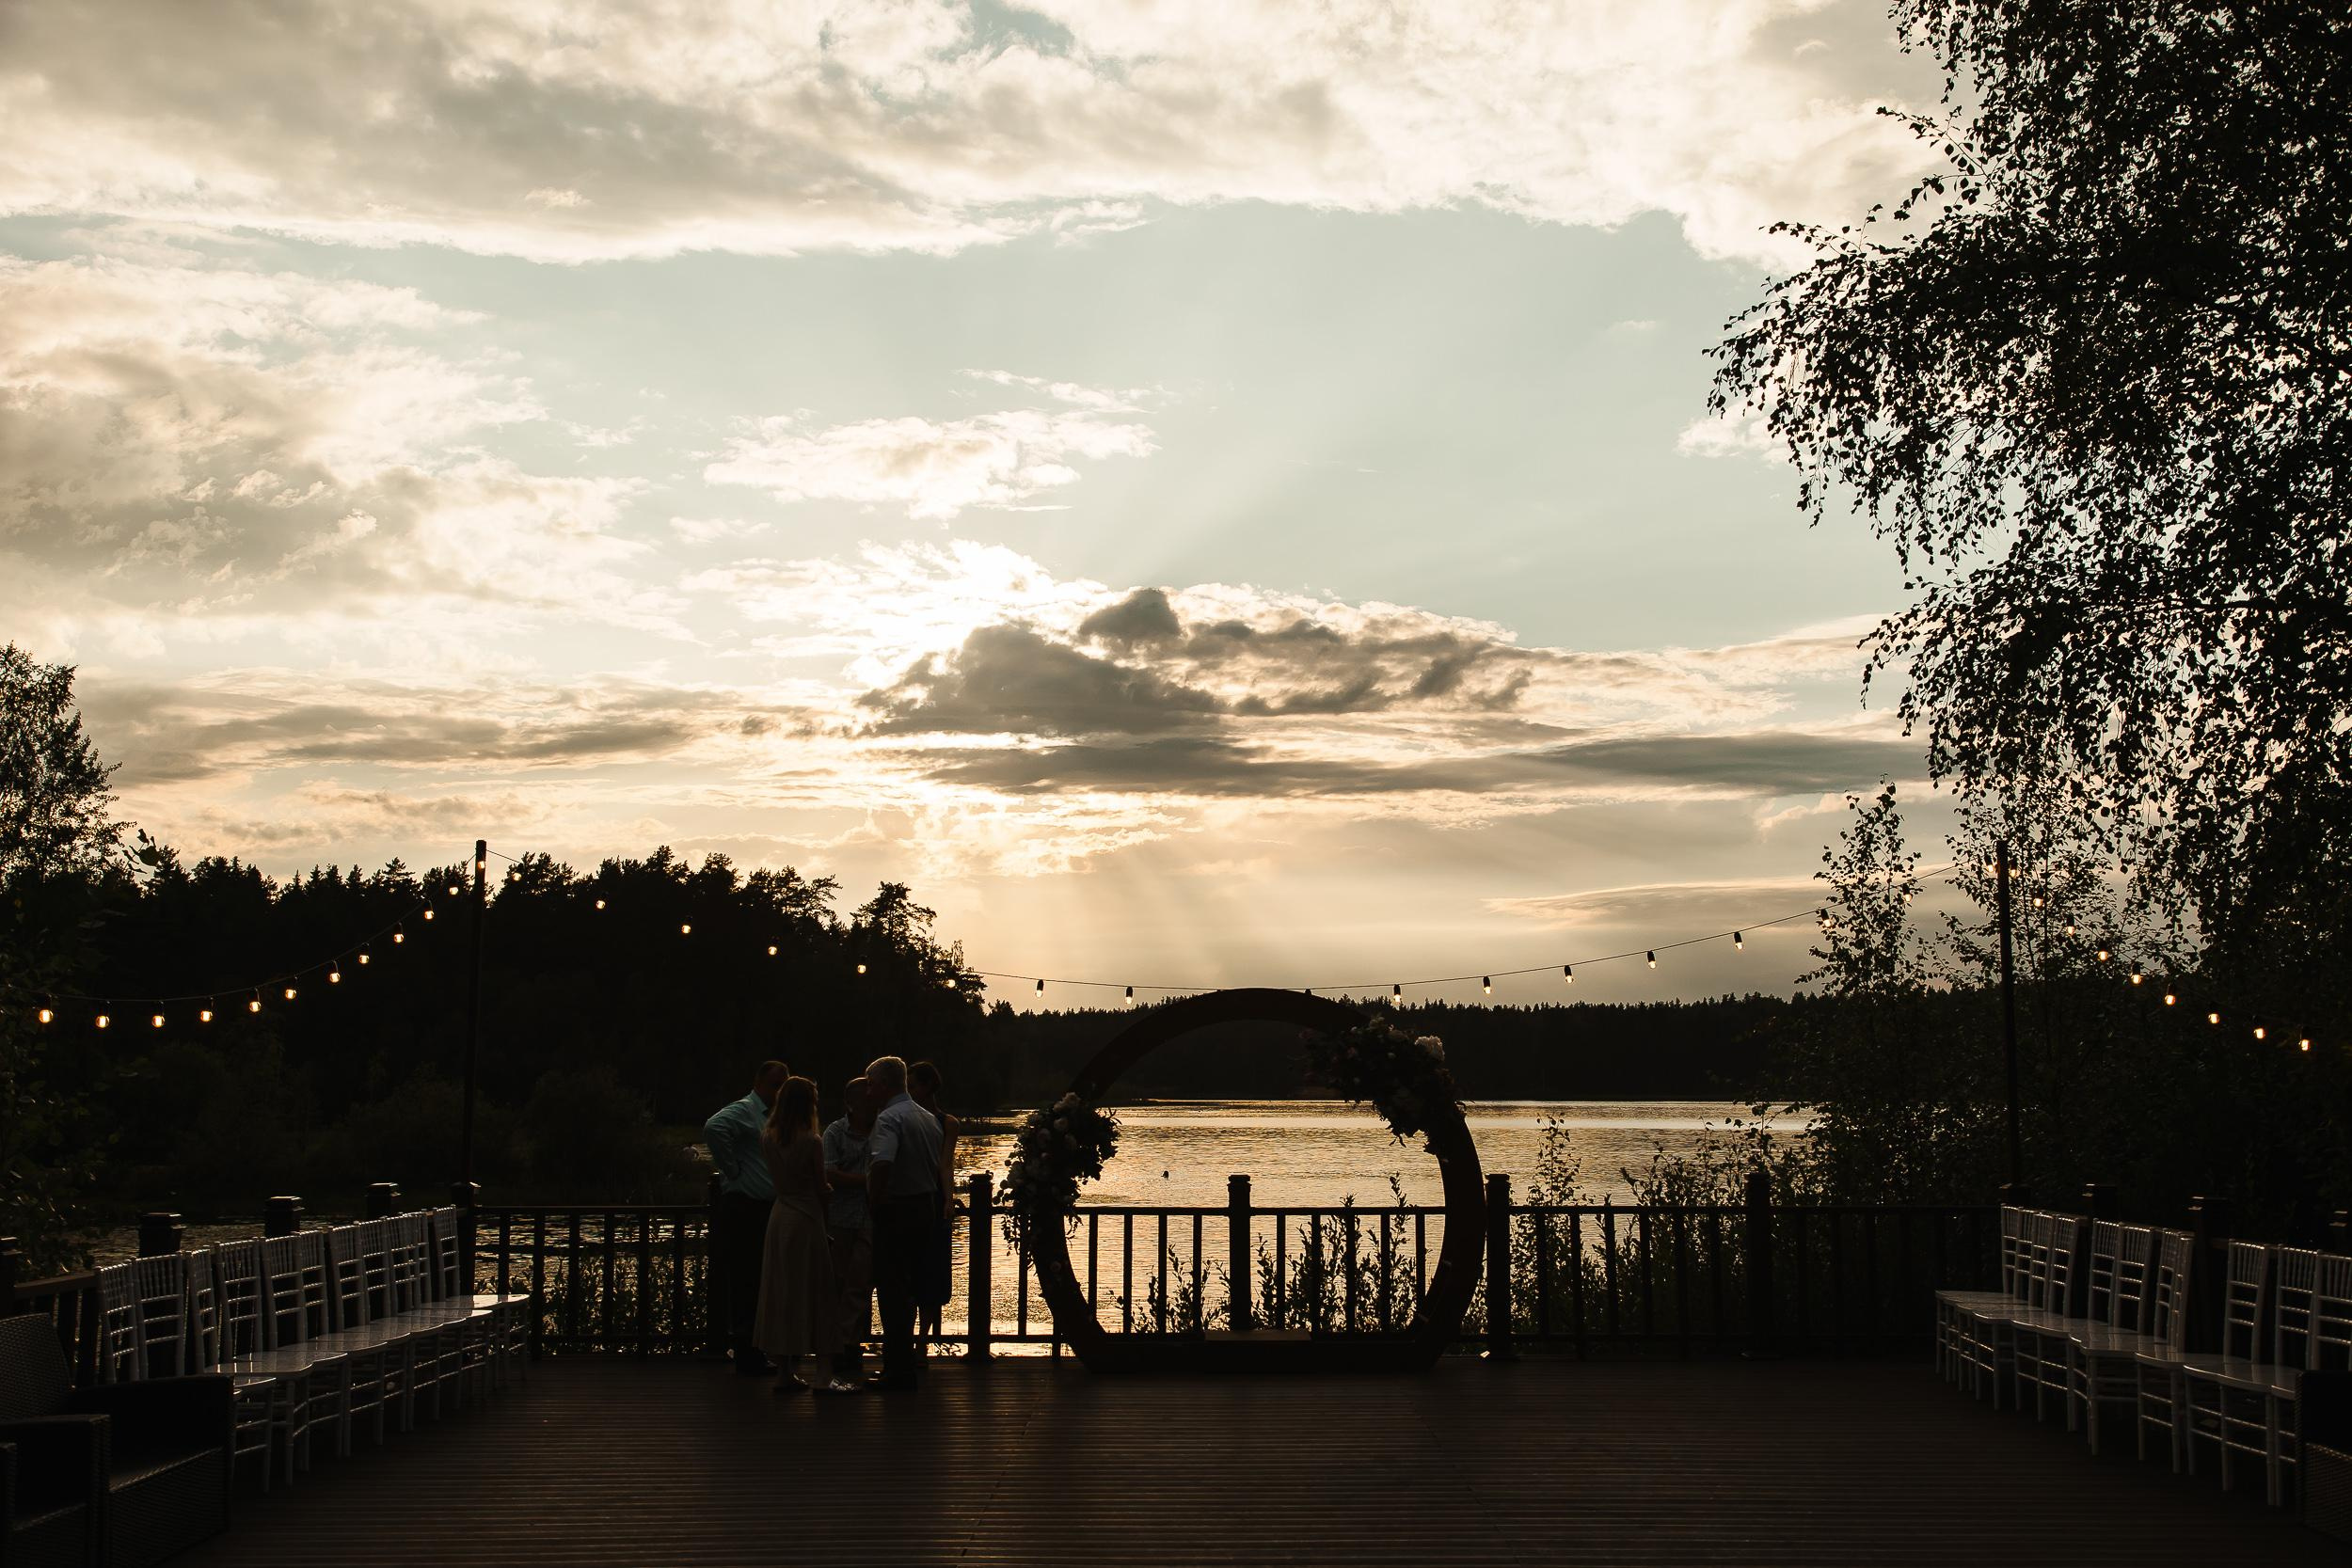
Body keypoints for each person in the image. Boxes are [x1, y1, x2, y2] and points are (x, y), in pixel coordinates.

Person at [752, 1074, 844, 1393]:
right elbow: (820, 1188)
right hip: (806, 1219)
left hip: (780, 1217)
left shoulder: (768, 1137)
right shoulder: (812, 1141)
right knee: (818, 1291)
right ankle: (823, 1374)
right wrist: (829, 1196)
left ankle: (784, 1373)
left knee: (782, 1291)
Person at [704, 1058, 789, 1374]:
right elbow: (714, 1127)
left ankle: (755, 1349)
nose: (778, 1091)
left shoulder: (772, 1116)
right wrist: (731, 1169)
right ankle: (746, 1353)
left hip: (765, 1208)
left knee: (761, 1280)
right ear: (759, 1082)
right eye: (774, 1084)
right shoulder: (745, 1110)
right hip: (745, 1208)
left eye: (783, 1085)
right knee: (746, 1279)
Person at [863, 1054, 942, 1391]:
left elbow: (882, 1163)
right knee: (912, 1288)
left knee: (892, 1290)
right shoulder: (928, 1118)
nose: (868, 1092)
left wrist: (874, 1201)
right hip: (925, 1209)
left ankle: (897, 1368)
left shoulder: (889, 1119)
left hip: (896, 1210)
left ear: (883, 1084)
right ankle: (906, 1363)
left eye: (870, 1084)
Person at [821, 1075, 877, 1385]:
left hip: (870, 1218)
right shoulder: (835, 1132)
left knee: (860, 1282)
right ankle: (839, 1346)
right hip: (841, 1219)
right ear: (852, 1103)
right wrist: (867, 1182)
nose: (873, 1104)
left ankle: (852, 1344)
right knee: (840, 1282)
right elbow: (828, 1172)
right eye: (867, 1099)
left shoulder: (882, 1129)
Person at [907, 1060, 960, 1339]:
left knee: (932, 1274)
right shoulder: (901, 1118)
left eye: (912, 1086)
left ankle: (922, 1340)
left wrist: (949, 1200)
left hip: (934, 1200)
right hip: (908, 1198)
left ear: (927, 1087)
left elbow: (946, 1164)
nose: (908, 1091)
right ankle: (907, 1340)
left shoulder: (947, 1123)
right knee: (908, 1274)